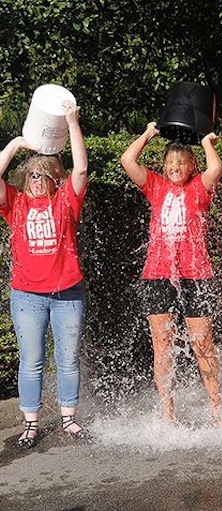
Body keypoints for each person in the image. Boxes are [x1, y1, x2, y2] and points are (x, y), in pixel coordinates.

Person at [0, 102, 91, 447]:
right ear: (25, 179)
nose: (38, 181)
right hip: (27, 296)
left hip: (67, 293)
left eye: (46, 176)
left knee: (67, 360)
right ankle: (30, 423)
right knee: (32, 361)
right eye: (33, 175)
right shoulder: (15, 203)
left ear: (56, 180)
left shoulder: (66, 202)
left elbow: (80, 169)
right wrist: (16, 144)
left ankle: (69, 418)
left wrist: (71, 123)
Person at [120, 124, 222, 425]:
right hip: (158, 273)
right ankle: (167, 411)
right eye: (170, 164)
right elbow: (128, 160)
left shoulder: (199, 188)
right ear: (164, 167)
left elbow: (215, 167)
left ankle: (217, 408)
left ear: (192, 165)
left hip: (195, 274)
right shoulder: (155, 186)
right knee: (162, 345)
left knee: (202, 343)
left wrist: (205, 142)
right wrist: (148, 134)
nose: (175, 168)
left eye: (181, 163)